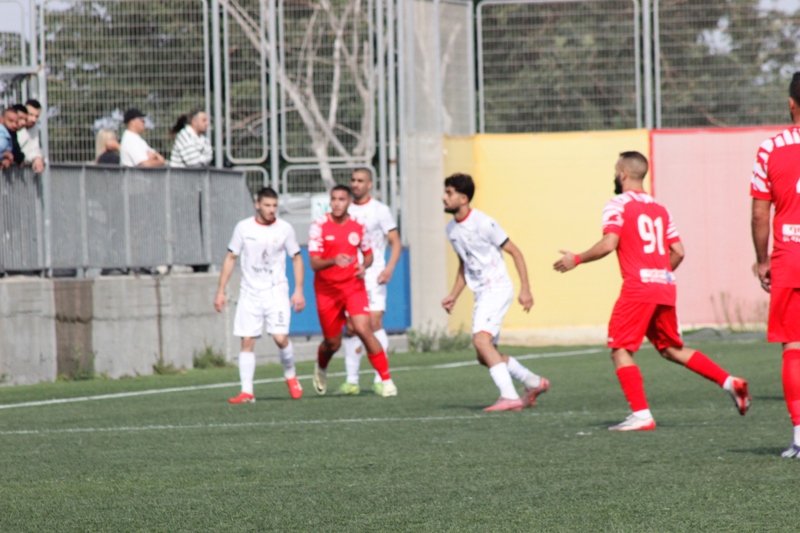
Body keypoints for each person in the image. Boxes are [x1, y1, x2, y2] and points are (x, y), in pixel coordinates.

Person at [554, 151, 750, 431]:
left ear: (623, 173)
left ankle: (641, 414)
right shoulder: (660, 208)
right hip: (664, 286)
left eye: (616, 170)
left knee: (620, 349)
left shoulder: (617, 204)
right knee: (671, 349)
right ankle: (731, 383)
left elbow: (609, 243)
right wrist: (660, 274)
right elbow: (678, 252)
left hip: (638, 287)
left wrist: (576, 258)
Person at [441, 173, 549, 412]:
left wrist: (526, 289)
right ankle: (534, 382)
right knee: (485, 354)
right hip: (482, 293)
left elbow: (515, 252)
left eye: (449, 193)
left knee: (481, 341)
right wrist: (453, 295)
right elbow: (465, 264)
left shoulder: (484, 223)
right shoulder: (451, 229)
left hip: (497, 288)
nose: (444, 198)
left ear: (463, 198)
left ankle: (509, 396)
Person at [214, 187, 306, 403]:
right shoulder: (243, 228)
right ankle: (247, 392)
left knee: (280, 338)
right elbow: (231, 257)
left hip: (276, 292)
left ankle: (291, 375)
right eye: (267, 205)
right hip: (250, 293)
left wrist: (299, 290)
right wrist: (220, 290)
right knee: (247, 340)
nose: (271, 210)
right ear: (257, 205)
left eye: (274, 206)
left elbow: (297, 258)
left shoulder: (284, 229)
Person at [751, 72, 800, 457]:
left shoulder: (770, 148)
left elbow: (759, 214)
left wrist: (762, 260)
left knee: (793, 346)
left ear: (791, 103)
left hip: (790, 257)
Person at [309, 184, 397, 398]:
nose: (337, 203)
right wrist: (333, 260)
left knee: (363, 329)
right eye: (334, 199)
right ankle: (321, 367)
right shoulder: (319, 226)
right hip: (327, 290)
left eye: (341, 199)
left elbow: (368, 254)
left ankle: (386, 381)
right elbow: (314, 263)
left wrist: (364, 266)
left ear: (349, 202)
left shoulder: (358, 226)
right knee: (333, 343)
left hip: (352, 286)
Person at [336, 169, 402, 395]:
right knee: (352, 327)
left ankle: (380, 378)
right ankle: (351, 381)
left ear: (370, 184)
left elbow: (395, 241)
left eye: (360, 181)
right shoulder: (344, 208)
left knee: (374, 323)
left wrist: (389, 268)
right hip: (350, 277)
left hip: (374, 275)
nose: (355, 184)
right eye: (353, 180)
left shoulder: (379, 210)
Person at [17, 100, 44, 173]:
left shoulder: (34, 127)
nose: (34, 119)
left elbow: (33, 149)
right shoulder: (14, 126)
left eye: (37, 116)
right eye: (31, 115)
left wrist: (37, 158)